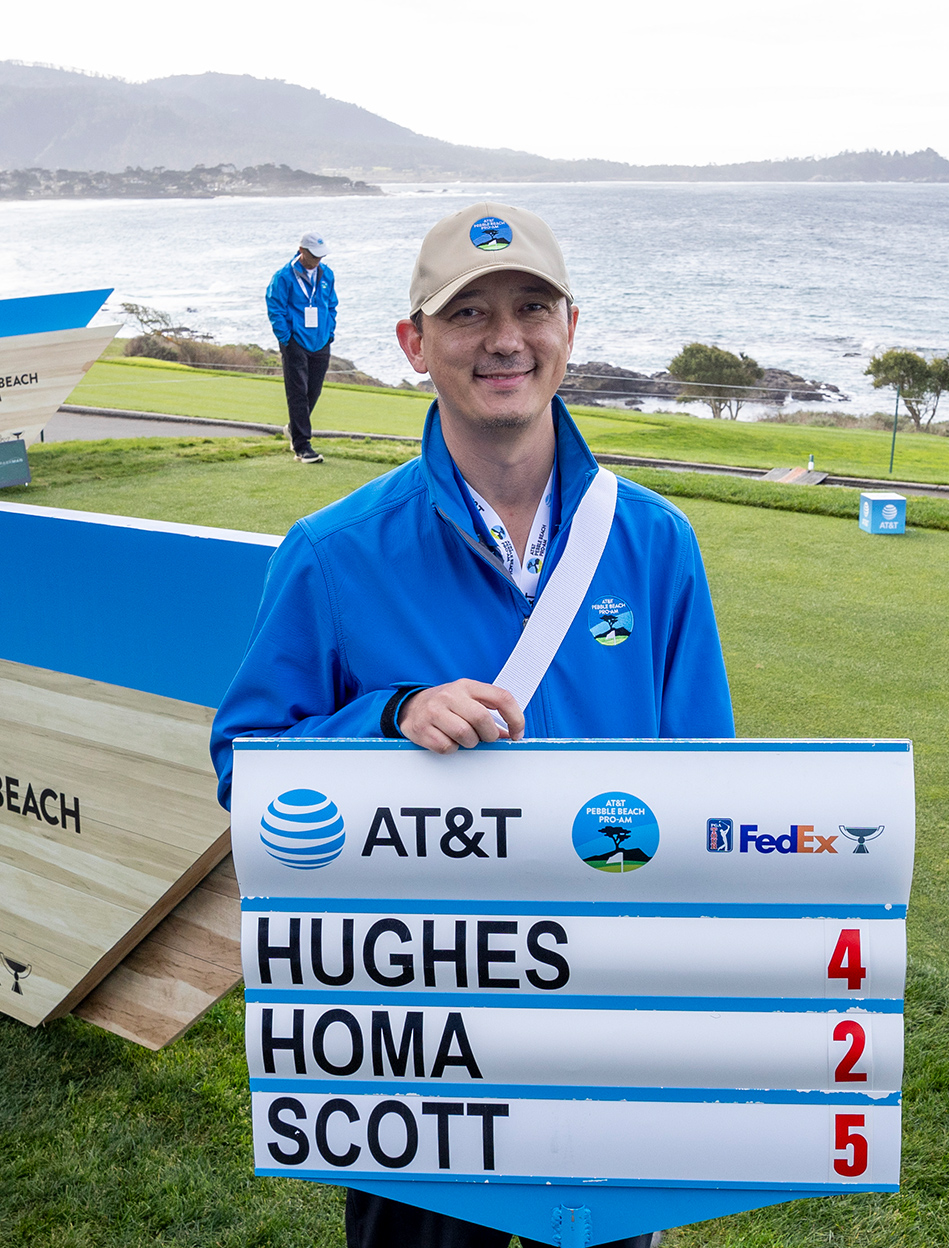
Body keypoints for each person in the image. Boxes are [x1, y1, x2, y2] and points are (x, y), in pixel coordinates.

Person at [211, 201, 735, 1248]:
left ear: (570, 329)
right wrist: (389, 718)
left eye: (531, 307)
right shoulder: (333, 550)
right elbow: (248, 769)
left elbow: (708, 789)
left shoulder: (654, 544)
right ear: (415, 344)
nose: (505, 338)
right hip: (418, 1046)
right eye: (468, 315)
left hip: (605, 1030)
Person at [266, 230, 338, 464]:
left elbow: (332, 304)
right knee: (297, 393)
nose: (318, 259)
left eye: (321, 255)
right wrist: (286, 338)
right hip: (295, 341)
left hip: (320, 341)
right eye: (314, 255)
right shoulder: (284, 277)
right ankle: (302, 446)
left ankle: (293, 428)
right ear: (301, 251)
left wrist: (329, 332)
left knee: (313, 391)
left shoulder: (327, 275)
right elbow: (275, 307)